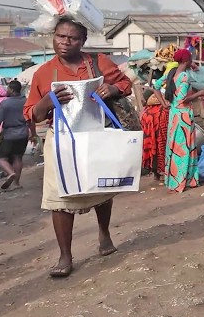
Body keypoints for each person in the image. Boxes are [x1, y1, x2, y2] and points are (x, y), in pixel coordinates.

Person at [23, 17, 132, 278]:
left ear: (83, 41)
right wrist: (47, 101)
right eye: (60, 36)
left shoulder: (98, 63)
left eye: (72, 38)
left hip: (96, 135)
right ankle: (65, 255)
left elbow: (126, 85)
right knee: (60, 198)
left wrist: (112, 88)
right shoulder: (43, 72)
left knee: (102, 190)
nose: (65, 42)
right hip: (60, 141)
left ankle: (104, 235)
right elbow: (31, 114)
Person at [154, 49, 204, 192]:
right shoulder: (184, 76)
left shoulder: (171, 72)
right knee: (184, 148)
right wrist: (200, 93)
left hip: (174, 114)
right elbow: (183, 99)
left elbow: (155, 87)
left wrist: (163, 103)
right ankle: (182, 181)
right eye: (190, 59)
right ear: (186, 61)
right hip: (183, 115)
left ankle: (175, 180)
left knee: (174, 146)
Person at [0, 80, 33, 192]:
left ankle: (10, 173)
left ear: (12, 90)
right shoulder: (26, 101)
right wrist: (33, 134)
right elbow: (30, 120)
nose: (6, 90)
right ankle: (17, 184)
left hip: (9, 135)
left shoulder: (5, 103)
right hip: (23, 133)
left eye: (8, 88)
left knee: (1, 158)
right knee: (18, 157)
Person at [140, 85, 169, 181]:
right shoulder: (164, 109)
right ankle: (166, 173)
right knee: (164, 152)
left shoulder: (145, 112)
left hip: (150, 140)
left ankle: (156, 174)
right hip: (163, 138)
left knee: (155, 155)